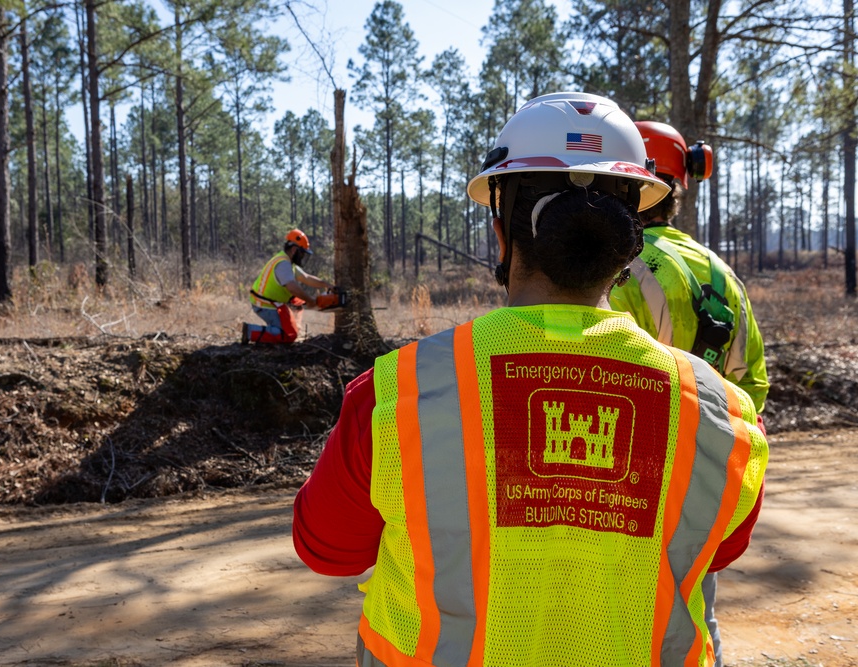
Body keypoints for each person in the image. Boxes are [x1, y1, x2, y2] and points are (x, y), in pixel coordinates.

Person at [292, 92, 768, 667]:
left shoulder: (397, 396)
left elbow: (328, 549)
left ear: (500, 232)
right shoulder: (722, 416)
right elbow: (720, 548)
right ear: (629, 243)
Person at [609, 120, 770, 667]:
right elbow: (753, 388)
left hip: (623, 492)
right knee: (696, 618)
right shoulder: (724, 275)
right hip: (702, 486)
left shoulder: (616, 269)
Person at [242, 228, 335, 344]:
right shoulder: (283, 264)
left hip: (272, 301)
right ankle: (250, 331)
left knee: (297, 312)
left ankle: (271, 331)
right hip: (265, 304)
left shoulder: (287, 262)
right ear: (294, 249)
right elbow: (292, 287)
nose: (302, 257)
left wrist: (326, 284)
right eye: (302, 253)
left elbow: (306, 278)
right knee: (288, 335)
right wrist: (309, 300)